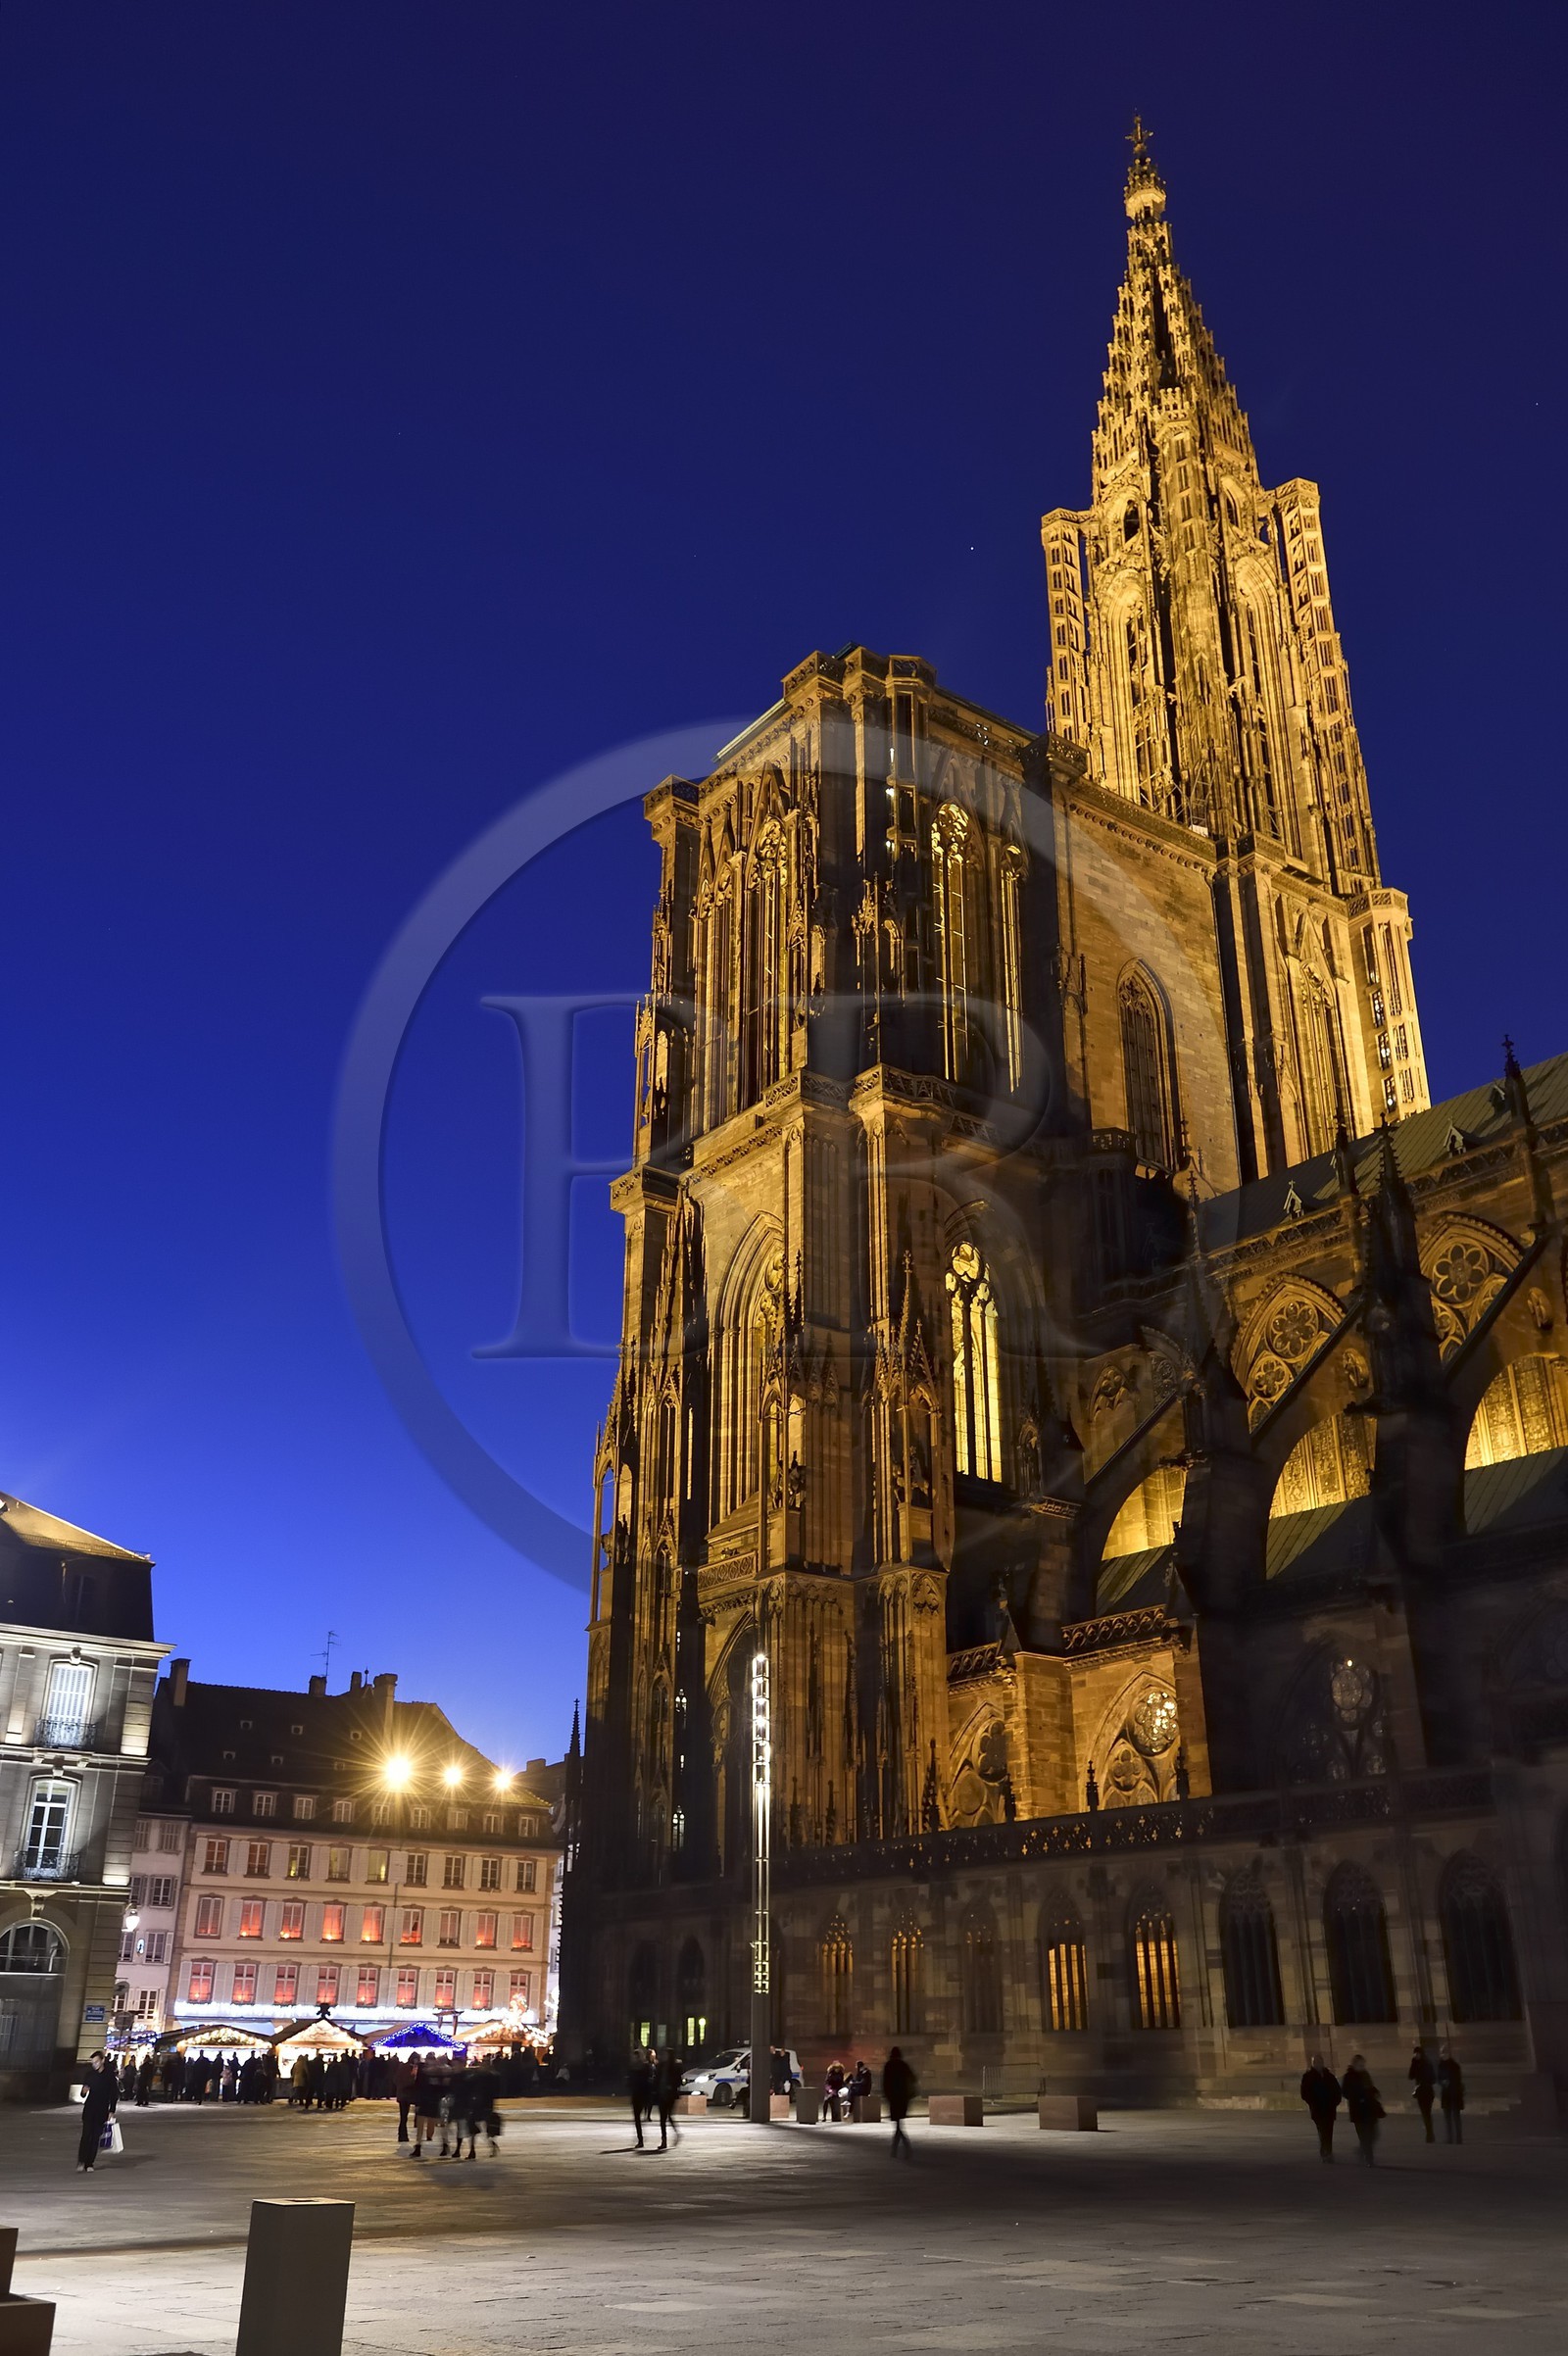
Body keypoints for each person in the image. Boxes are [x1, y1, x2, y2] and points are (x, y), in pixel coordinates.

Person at [76, 2052, 118, 2173]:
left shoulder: (109, 2076)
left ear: (102, 2060)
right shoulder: (90, 2075)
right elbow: (83, 2094)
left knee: (95, 2138)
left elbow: (114, 2094)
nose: (94, 2065)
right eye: (93, 2063)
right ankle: (81, 2161)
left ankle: (90, 2163)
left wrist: (112, 2110)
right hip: (89, 2109)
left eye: (96, 2062)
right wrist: (84, 2091)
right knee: (86, 2136)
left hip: (101, 2110)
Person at [1341, 2053, 1384, 2166]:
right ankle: (1369, 2158)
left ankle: (1362, 2150)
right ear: (1354, 2065)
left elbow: (1370, 2087)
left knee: (1374, 2134)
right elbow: (1345, 2092)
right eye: (1360, 2065)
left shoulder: (1365, 2074)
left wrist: (1375, 2092)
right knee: (1364, 2136)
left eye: (1363, 2065)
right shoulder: (1349, 2076)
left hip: (1370, 2109)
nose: (1362, 2067)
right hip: (1358, 2111)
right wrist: (1357, 2097)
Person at [1299, 2054, 1343, 2162]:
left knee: (1329, 2131)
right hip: (1318, 2109)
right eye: (1316, 2062)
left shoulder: (1329, 2076)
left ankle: (1328, 2151)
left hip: (1329, 2108)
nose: (1318, 2064)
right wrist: (1313, 2102)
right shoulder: (1308, 2077)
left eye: (1319, 2062)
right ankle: (1325, 2152)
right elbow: (1305, 2093)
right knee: (1323, 2130)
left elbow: (1337, 2090)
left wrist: (1335, 2102)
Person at [882, 2045, 915, 2159]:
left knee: (898, 2124)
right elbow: (913, 2078)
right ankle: (897, 2149)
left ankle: (903, 2148)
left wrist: (887, 2096)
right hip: (903, 2098)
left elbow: (885, 2082)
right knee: (898, 2124)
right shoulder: (903, 2065)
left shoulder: (889, 2065)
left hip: (893, 2098)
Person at [654, 2046, 683, 2150]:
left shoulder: (676, 2065)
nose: (664, 2056)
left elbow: (679, 2081)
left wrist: (671, 2085)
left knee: (669, 2116)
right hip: (661, 2093)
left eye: (666, 2054)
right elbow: (656, 2079)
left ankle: (677, 2133)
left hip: (670, 2094)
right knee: (662, 2119)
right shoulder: (660, 2065)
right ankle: (664, 2140)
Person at [1407, 2042, 1436, 2142]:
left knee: (1426, 2113)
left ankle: (1430, 2134)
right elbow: (1410, 2076)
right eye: (1415, 2054)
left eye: (1418, 2053)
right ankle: (1429, 2133)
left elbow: (1433, 2078)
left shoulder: (1427, 2064)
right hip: (1420, 2093)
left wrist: (1424, 2082)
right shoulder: (1415, 2063)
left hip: (1427, 2092)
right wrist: (1413, 2063)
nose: (1416, 2055)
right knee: (1425, 2113)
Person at [1438, 2044, 1465, 2143]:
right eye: (1442, 2053)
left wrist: (1449, 2082)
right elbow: (1438, 2078)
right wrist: (1443, 2082)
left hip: (1454, 2094)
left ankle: (1458, 2138)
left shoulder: (1454, 2066)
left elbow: (1458, 2080)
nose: (1444, 2055)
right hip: (1446, 2094)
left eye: (1445, 2053)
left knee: (1456, 2117)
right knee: (1447, 2118)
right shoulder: (1440, 2065)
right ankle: (1449, 2138)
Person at [628, 2048, 655, 2147]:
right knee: (637, 2118)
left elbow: (649, 2079)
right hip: (637, 2094)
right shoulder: (635, 2067)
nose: (635, 2059)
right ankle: (640, 2139)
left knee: (637, 2118)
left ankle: (640, 2139)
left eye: (636, 2057)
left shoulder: (645, 2066)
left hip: (642, 2093)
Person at [391, 2056, 416, 2142]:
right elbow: (410, 2082)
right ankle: (403, 2135)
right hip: (406, 2095)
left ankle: (402, 2134)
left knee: (403, 2116)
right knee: (404, 2116)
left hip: (401, 2094)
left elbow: (395, 2080)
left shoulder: (401, 2067)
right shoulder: (411, 2069)